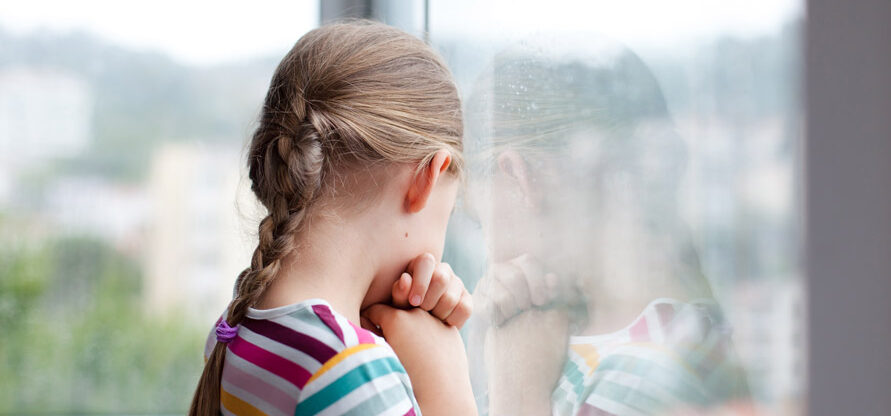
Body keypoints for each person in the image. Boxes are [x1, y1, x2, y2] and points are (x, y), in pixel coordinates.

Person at [188, 20, 477, 416]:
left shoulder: (239, 327)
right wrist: (447, 388)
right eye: (450, 210)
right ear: (425, 178)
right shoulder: (351, 372)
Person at [464, 39, 750, 415]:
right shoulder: (655, 338)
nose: (490, 251)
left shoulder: (636, 377)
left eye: (481, 222)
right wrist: (483, 342)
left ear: (520, 178)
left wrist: (518, 394)